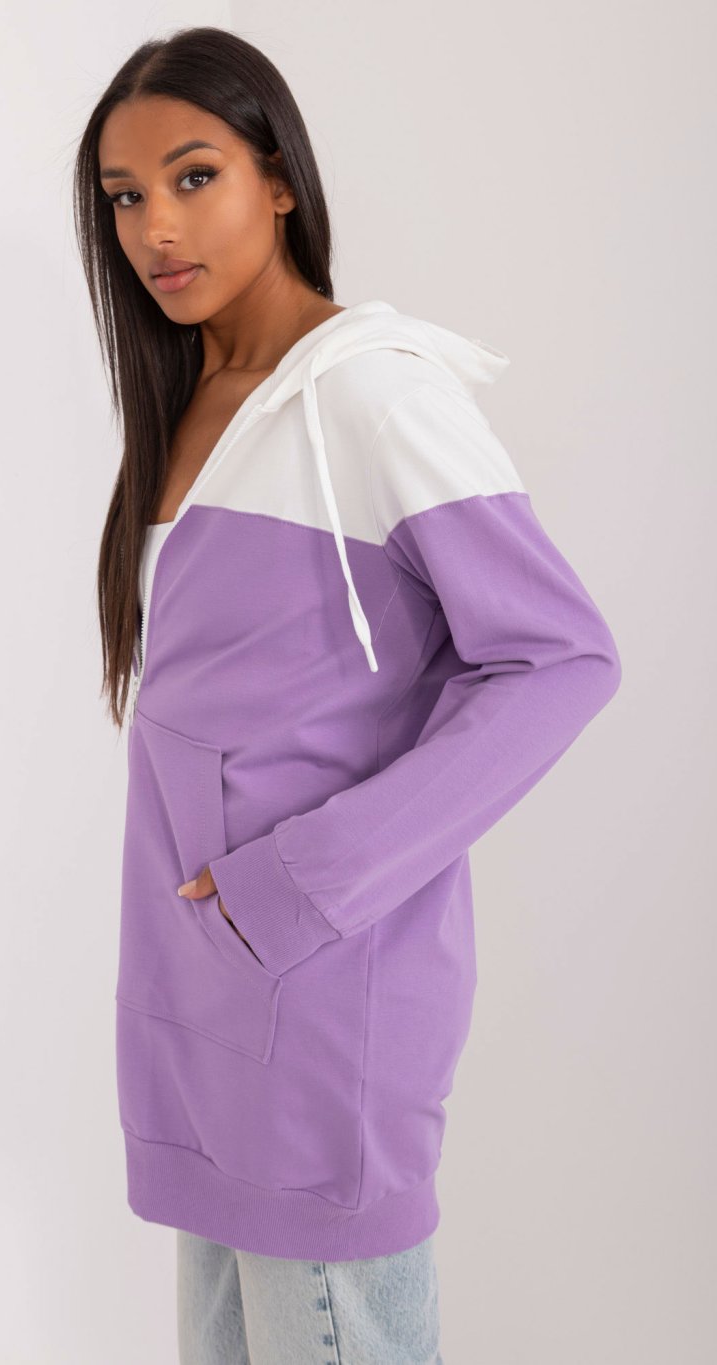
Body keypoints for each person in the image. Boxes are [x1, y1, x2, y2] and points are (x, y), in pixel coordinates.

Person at [72, 25, 621, 1365]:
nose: (155, 227)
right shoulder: (197, 399)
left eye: (193, 176)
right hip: (204, 1000)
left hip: (323, 998)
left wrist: (299, 883)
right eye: (126, 196)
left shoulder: (372, 395)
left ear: (279, 179)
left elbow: (559, 658)